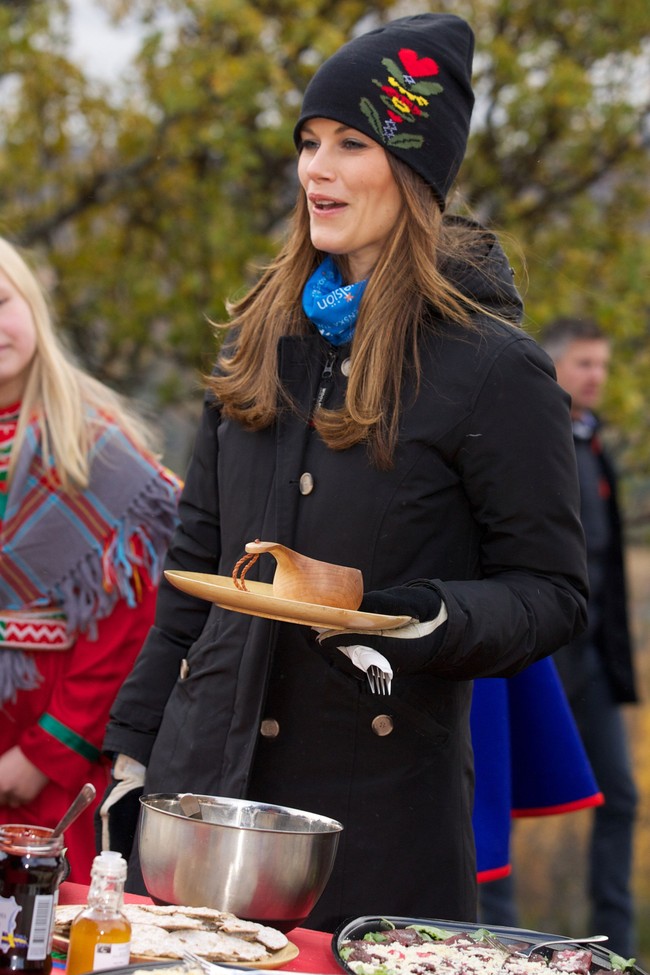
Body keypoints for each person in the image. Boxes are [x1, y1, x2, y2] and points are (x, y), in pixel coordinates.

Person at [101, 13, 589, 931]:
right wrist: (130, 761)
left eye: (351, 144)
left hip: (371, 828)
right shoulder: (259, 337)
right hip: (199, 802)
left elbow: (553, 592)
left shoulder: (494, 368)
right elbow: (191, 578)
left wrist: (426, 615)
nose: (314, 170)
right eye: (309, 142)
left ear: (414, 171)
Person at [0, 235, 182, 882]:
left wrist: (48, 749)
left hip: (53, 739)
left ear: (32, 307)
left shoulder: (97, 450)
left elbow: (130, 618)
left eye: (2, 302)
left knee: (42, 911)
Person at [541, 317, 639, 957]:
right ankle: (498, 938)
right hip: (545, 661)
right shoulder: (537, 437)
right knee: (512, 800)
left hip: (596, 663)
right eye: (583, 363)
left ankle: (611, 946)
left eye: (601, 364)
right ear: (553, 367)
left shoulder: (593, 439)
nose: (595, 376)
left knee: (620, 796)